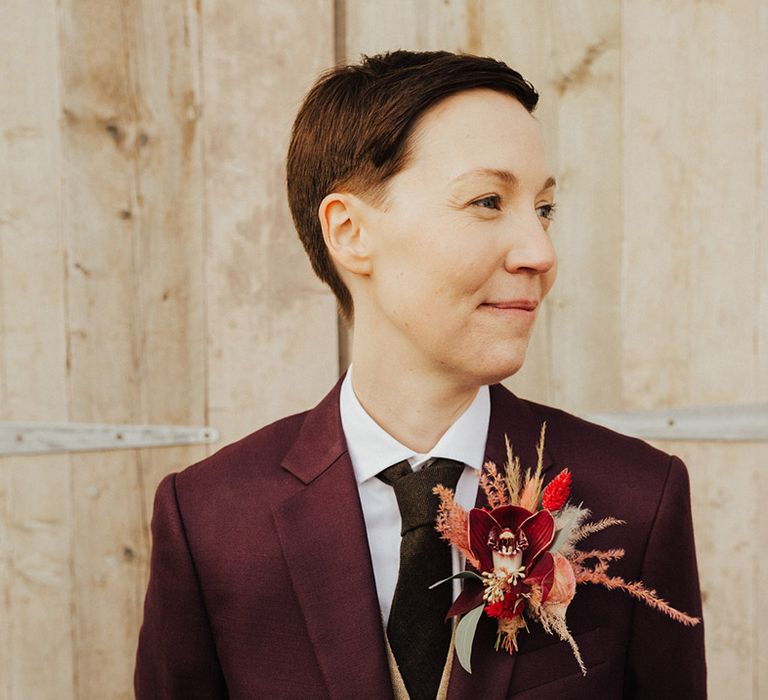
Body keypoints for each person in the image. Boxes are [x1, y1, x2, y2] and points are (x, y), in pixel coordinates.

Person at [134, 50, 706, 699]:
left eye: (544, 209)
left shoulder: (638, 500)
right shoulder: (209, 519)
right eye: (488, 201)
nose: (541, 253)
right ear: (349, 232)